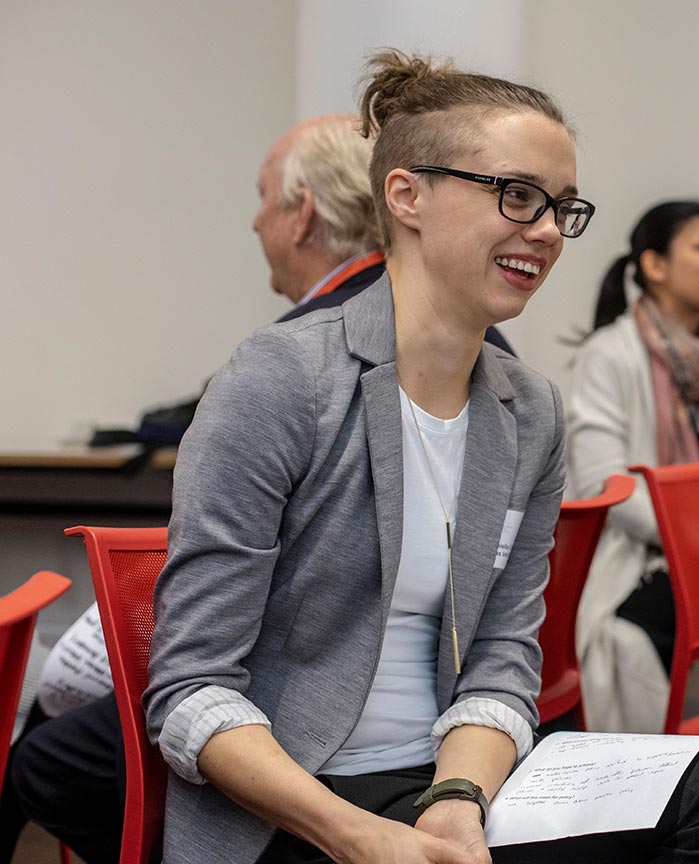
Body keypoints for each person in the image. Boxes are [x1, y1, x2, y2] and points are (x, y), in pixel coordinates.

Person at [138, 52, 699, 864]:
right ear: (406, 194)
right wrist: (362, 838)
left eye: (562, 207)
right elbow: (191, 690)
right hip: (305, 801)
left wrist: (455, 801)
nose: (549, 232)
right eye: (518, 196)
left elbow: (501, 657)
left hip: (459, 780)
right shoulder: (280, 380)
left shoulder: (529, 411)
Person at [5, 112, 506, 863]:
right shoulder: (468, 329)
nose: (253, 219)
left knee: (45, 755)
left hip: (317, 689)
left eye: (264, 197)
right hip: (443, 677)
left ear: (302, 212)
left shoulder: (315, 346)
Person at [568, 200, 699, 733]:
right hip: (641, 559)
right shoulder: (609, 354)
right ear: (654, 265)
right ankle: (661, 788)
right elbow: (606, 485)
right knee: (656, 625)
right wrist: (693, 538)